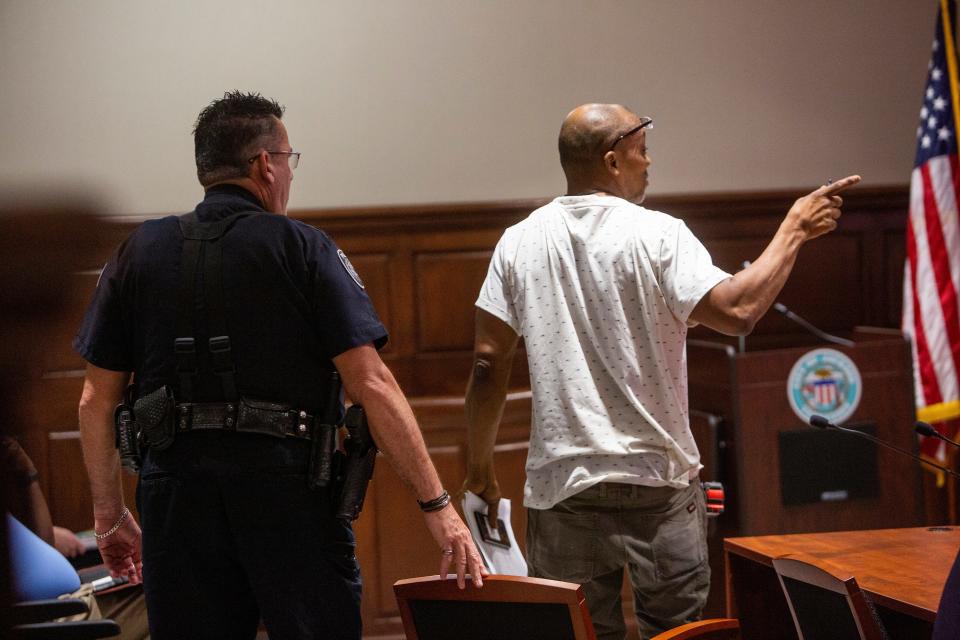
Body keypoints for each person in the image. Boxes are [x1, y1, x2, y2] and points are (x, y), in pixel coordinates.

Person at [75, 91, 485, 640]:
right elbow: (371, 383)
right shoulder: (302, 248)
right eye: (289, 159)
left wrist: (110, 515)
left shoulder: (137, 251)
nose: (290, 174)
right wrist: (437, 506)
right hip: (287, 492)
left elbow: (95, 399)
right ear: (265, 164)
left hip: (174, 495)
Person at [461, 102, 859, 640]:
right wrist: (792, 230)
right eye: (642, 152)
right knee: (677, 637)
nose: (650, 164)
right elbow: (737, 312)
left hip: (562, 490)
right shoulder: (659, 234)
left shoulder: (519, 240)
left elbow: (488, 364)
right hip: (659, 488)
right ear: (612, 161)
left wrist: (481, 470)